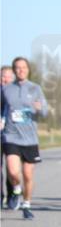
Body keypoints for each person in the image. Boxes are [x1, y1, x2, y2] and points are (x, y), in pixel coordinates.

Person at [1, 57, 49, 219]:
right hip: (11, 135)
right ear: (14, 71)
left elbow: (45, 112)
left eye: (24, 67)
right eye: (18, 68)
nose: (21, 70)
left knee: (28, 175)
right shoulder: (6, 89)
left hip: (29, 138)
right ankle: (15, 189)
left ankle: (26, 204)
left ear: (28, 70)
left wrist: (39, 108)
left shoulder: (35, 88)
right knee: (13, 171)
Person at [1, 64, 14, 208]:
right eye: (3, 76)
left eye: (9, 76)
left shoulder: (16, 93)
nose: (6, 79)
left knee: (11, 168)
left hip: (12, 135)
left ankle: (12, 195)